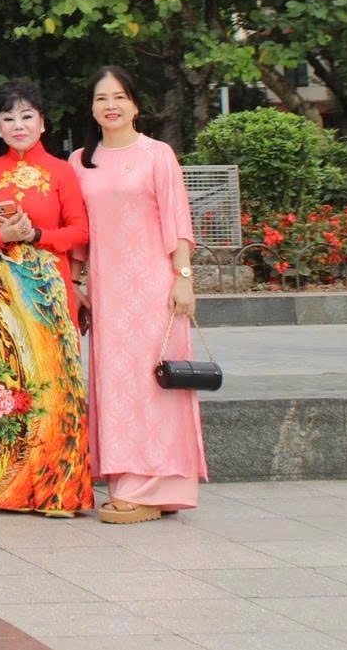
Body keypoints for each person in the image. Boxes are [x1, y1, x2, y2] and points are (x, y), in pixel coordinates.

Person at [72, 66, 207, 523]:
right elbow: (78, 234)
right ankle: (124, 480)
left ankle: (158, 484)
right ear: (91, 108)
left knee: (156, 383)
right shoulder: (80, 161)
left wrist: (183, 277)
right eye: (100, 98)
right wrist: (75, 285)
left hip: (153, 289)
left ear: (134, 104)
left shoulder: (157, 154)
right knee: (115, 385)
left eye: (119, 97)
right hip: (107, 292)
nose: (110, 105)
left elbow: (177, 219)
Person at [0, 80, 93, 517]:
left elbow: (80, 231)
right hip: (2, 296)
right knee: (9, 386)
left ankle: (60, 491)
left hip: (50, 292)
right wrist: (2, 235)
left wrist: (37, 235)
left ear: (42, 121)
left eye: (26, 116)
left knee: (55, 389)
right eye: (8, 118)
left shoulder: (61, 171)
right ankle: (11, 489)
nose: (18, 125)